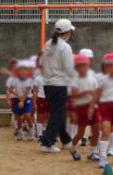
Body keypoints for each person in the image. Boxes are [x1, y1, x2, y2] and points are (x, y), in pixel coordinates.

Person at [40, 19, 76, 153]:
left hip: (48, 84)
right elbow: (69, 68)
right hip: (59, 84)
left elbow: (42, 62)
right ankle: (47, 142)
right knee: (57, 114)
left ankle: (66, 140)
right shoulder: (65, 47)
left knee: (58, 113)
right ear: (67, 32)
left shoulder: (48, 44)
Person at [69, 54, 100, 161]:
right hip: (81, 108)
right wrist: (87, 92)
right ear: (76, 68)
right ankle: (72, 148)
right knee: (80, 133)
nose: (82, 68)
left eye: (85, 65)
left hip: (92, 106)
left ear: (88, 66)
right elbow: (74, 95)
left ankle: (92, 153)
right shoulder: (75, 80)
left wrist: (91, 107)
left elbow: (96, 94)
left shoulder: (93, 79)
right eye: (80, 66)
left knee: (96, 130)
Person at [9, 60, 34, 141]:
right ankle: (20, 133)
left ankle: (31, 132)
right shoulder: (15, 80)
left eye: (24, 70)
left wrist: (22, 101)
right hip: (18, 99)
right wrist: (18, 97)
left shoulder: (29, 80)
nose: (22, 71)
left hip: (27, 99)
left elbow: (27, 92)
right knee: (18, 117)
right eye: (20, 70)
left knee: (27, 116)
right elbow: (10, 89)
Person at [33, 59, 49, 142]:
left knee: (48, 117)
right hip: (41, 99)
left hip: (49, 99)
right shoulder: (38, 78)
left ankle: (45, 133)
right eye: (43, 67)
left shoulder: (51, 77)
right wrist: (34, 102)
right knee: (40, 117)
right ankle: (39, 135)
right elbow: (35, 91)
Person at [4, 58, 19, 136]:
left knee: (27, 114)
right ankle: (17, 128)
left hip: (24, 97)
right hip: (14, 98)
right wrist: (8, 99)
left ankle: (26, 126)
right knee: (16, 114)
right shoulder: (11, 79)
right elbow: (8, 90)